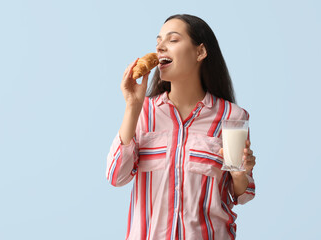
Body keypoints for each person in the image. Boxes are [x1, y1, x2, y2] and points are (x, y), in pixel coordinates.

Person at [106, 14, 256, 240]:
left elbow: (242, 194)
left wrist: (239, 173)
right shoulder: (143, 112)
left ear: (200, 52)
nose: (161, 48)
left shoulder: (231, 116)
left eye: (173, 40)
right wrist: (132, 106)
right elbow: (116, 176)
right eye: (158, 43)